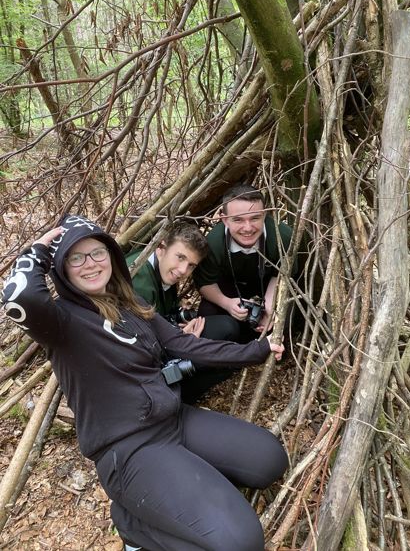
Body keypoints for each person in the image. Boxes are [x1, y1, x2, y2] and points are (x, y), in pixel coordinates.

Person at [2, 214, 288, 551]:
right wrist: (38, 250)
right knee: (242, 542)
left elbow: (183, 344)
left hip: (173, 420)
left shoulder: (128, 303)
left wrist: (255, 350)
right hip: (129, 449)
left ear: (111, 256)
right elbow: (19, 297)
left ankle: (177, 485)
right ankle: (133, 525)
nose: (90, 264)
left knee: (269, 460)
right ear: (61, 267)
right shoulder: (59, 322)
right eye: (75, 257)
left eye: (97, 253)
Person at [126, 221, 242, 404]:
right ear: (161, 247)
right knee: (218, 366)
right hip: (140, 364)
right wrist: (180, 339)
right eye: (180, 257)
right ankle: (176, 399)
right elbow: (138, 344)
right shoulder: (139, 280)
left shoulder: (162, 268)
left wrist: (177, 321)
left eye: (191, 265)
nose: (183, 271)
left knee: (226, 329)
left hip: (163, 337)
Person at [194, 184, 293, 342]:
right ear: (225, 220)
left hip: (268, 288)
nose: (248, 228)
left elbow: (282, 275)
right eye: (238, 220)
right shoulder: (213, 243)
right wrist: (227, 303)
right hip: (228, 292)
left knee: (283, 317)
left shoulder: (283, 237)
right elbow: (205, 283)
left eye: (255, 218)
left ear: (264, 215)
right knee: (209, 314)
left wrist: (270, 306)